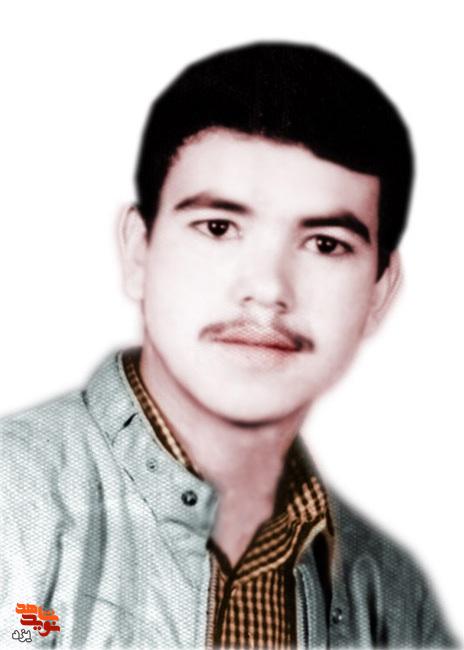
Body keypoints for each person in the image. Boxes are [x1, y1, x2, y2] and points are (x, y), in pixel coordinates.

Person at [0, 42, 456, 649]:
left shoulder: (391, 596)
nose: (267, 290)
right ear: (139, 251)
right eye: (218, 227)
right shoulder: (14, 507)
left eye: (325, 244)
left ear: (380, 290)